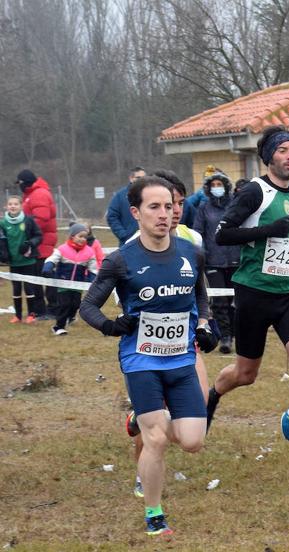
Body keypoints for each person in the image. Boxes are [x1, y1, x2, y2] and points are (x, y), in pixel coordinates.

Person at [80, 176, 217, 537]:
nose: (164, 214)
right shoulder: (120, 260)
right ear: (136, 213)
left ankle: (139, 419)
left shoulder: (192, 253)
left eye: (170, 206)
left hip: (181, 358)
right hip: (140, 360)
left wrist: (204, 322)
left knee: (192, 441)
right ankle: (154, 513)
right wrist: (113, 327)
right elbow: (88, 306)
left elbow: (199, 295)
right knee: (155, 439)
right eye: (154, 207)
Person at [205, 125, 289, 470]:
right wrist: (267, 231)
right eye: (283, 151)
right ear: (268, 158)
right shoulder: (254, 193)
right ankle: (212, 396)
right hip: (253, 294)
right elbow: (223, 235)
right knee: (246, 373)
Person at [123, 169, 212, 499]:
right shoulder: (135, 245)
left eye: (178, 203)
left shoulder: (193, 242)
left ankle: (146, 431)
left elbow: (200, 291)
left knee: (193, 414)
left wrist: (204, 323)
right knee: (152, 421)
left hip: (185, 344)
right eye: (166, 204)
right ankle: (142, 471)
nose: (173, 211)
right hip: (145, 349)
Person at [193, 170, 240, 353]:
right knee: (219, 301)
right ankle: (225, 337)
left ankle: (237, 334)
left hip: (236, 259)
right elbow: (198, 233)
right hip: (213, 262)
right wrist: (201, 255)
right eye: (213, 185)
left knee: (235, 301)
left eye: (219, 185)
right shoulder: (204, 208)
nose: (216, 188)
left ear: (226, 186)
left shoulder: (235, 206)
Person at [41, 223, 98, 335]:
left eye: (85, 237)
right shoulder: (62, 249)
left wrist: (94, 280)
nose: (83, 239)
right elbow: (52, 258)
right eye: (80, 236)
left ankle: (70, 317)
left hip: (78, 284)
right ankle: (58, 327)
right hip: (63, 283)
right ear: (72, 236)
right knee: (64, 304)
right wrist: (48, 267)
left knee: (76, 304)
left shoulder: (89, 252)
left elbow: (93, 268)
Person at [17, 169, 58, 316]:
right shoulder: (31, 194)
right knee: (36, 278)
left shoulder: (39, 194)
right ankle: (40, 310)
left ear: (26, 182)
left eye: (20, 183)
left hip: (42, 242)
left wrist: (23, 231)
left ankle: (52, 309)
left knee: (44, 277)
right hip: (38, 242)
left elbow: (41, 218)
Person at [1, 195, 43, 323]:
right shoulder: (3, 223)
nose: (13, 206)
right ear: (6, 206)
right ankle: (18, 315)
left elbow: (38, 236)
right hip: (13, 261)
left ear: (21, 206)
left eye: (15, 204)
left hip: (28, 260)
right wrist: (3, 254)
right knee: (16, 288)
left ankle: (31, 314)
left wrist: (30, 243)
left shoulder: (28, 220)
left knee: (29, 288)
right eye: (10, 204)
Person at [107, 166, 147, 245]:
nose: (141, 180)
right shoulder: (120, 196)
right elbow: (112, 216)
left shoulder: (151, 194)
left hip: (149, 241)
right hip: (128, 243)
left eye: (144, 178)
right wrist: (123, 235)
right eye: (138, 177)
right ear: (131, 178)